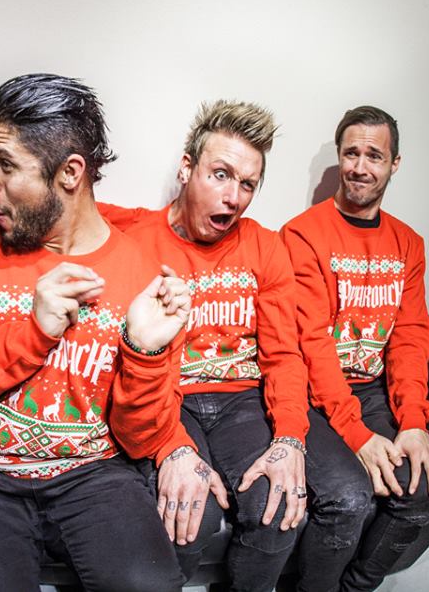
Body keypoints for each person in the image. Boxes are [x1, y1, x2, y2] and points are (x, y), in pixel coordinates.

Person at [0, 73, 188, 592]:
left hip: (95, 473)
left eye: (5, 164)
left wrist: (144, 353)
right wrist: (32, 334)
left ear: (69, 173)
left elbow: (140, 437)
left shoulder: (142, 274)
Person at [101, 100, 309, 590]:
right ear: (186, 169)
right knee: (190, 519)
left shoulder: (265, 247)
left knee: (280, 509)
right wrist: (171, 447)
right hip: (171, 398)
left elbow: (284, 356)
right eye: (220, 175)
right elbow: (126, 368)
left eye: (248, 184)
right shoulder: (136, 244)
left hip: (241, 400)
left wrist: (290, 439)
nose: (233, 197)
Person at [281, 105, 429, 591]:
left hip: (371, 389)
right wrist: (355, 432)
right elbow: (311, 342)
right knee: (350, 499)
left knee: (422, 488)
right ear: (339, 156)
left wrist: (413, 420)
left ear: (394, 164)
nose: (359, 166)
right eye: (351, 153)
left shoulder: (408, 244)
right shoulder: (302, 235)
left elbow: (410, 336)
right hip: (312, 396)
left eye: (374, 155)